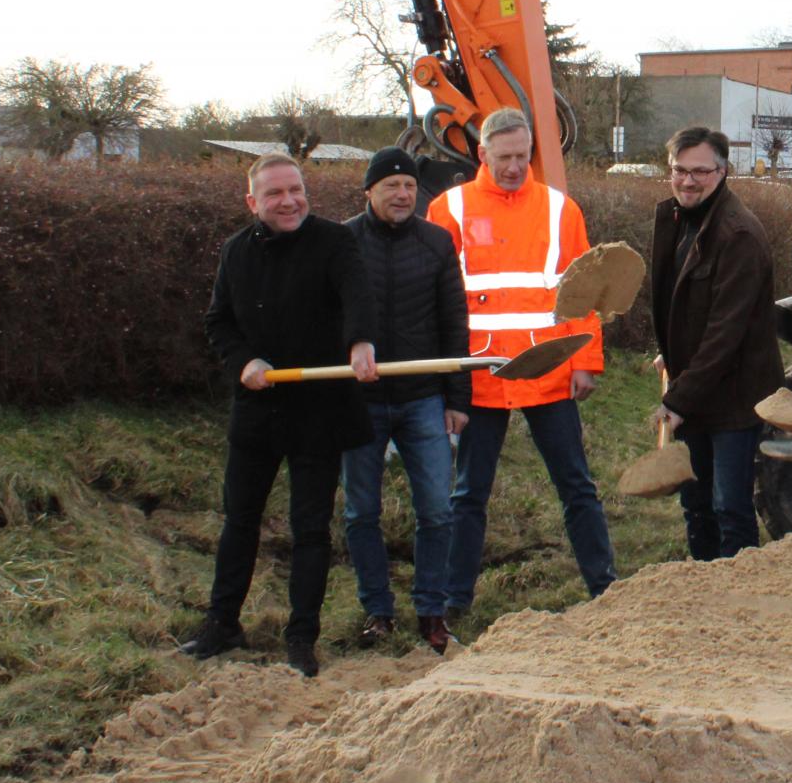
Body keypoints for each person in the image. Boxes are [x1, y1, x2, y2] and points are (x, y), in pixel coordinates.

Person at [190, 152, 376, 677]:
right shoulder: (235, 252)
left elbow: (358, 295)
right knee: (239, 521)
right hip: (258, 411)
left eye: (296, 190)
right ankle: (222, 623)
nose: (289, 201)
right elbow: (219, 322)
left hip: (320, 409)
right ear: (253, 202)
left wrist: (360, 342)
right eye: (275, 193)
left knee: (310, 529)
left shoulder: (335, 241)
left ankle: (301, 637)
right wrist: (243, 362)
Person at [426, 108, 616, 621]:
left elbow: (583, 292)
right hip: (480, 373)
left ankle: (605, 588)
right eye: (504, 157)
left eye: (523, 156)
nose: (514, 167)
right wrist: (444, 378)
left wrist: (586, 361)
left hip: (547, 368)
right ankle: (454, 600)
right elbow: (434, 299)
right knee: (469, 492)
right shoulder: (449, 208)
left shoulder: (560, 209)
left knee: (576, 485)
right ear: (481, 154)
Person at [342, 145, 471, 652]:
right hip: (361, 402)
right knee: (360, 511)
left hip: (424, 398)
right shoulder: (344, 242)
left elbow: (454, 321)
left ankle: (431, 611)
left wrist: (457, 399)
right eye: (391, 185)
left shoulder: (437, 242)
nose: (402, 194)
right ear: (369, 190)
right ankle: (378, 610)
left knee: (437, 510)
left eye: (410, 186)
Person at [649, 126, 784, 561]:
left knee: (729, 507)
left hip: (735, 398)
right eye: (679, 170)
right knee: (696, 502)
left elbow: (727, 332)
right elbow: (687, 303)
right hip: (698, 390)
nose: (688, 181)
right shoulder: (679, 221)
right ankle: (702, 584)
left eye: (700, 172)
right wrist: (670, 349)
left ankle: (739, 589)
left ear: (722, 172)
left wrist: (678, 400)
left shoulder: (737, 234)